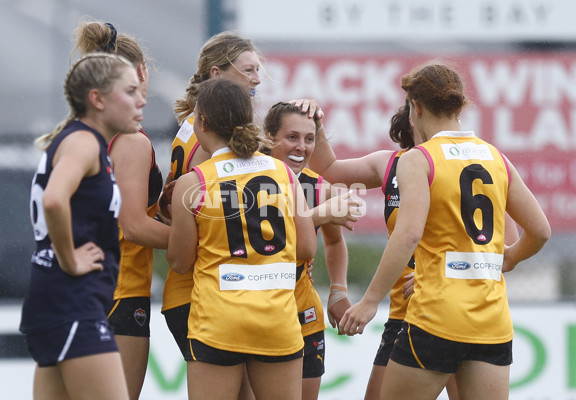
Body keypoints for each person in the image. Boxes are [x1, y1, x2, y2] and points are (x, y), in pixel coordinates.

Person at [338, 62, 550, 400]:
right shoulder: (496, 157)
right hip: (491, 323)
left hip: (437, 318)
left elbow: (407, 235)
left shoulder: (419, 159)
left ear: (417, 108)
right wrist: (507, 258)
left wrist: (369, 301)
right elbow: (540, 231)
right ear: (459, 106)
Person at [167, 78, 317, 400]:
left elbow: (180, 263)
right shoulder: (283, 172)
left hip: (218, 323)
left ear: (202, 122)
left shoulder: (194, 182)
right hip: (276, 319)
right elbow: (306, 247)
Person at [20, 52, 146, 400]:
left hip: (56, 300)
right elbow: (54, 199)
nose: (142, 99)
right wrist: (69, 258)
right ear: (98, 99)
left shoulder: (82, 141)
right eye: (131, 90)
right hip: (71, 301)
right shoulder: (84, 141)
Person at [70, 19, 170, 400]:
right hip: (119, 290)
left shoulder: (82, 130)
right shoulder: (130, 139)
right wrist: (210, 240)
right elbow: (133, 226)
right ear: (140, 74)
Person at [263, 102, 354, 400]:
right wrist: (320, 215)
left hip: (304, 310)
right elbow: (266, 246)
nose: (301, 148)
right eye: (292, 137)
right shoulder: (249, 180)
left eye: (309, 139)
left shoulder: (320, 187)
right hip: (256, 310)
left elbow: (335, 242)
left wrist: (338, 290)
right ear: (269, 136)